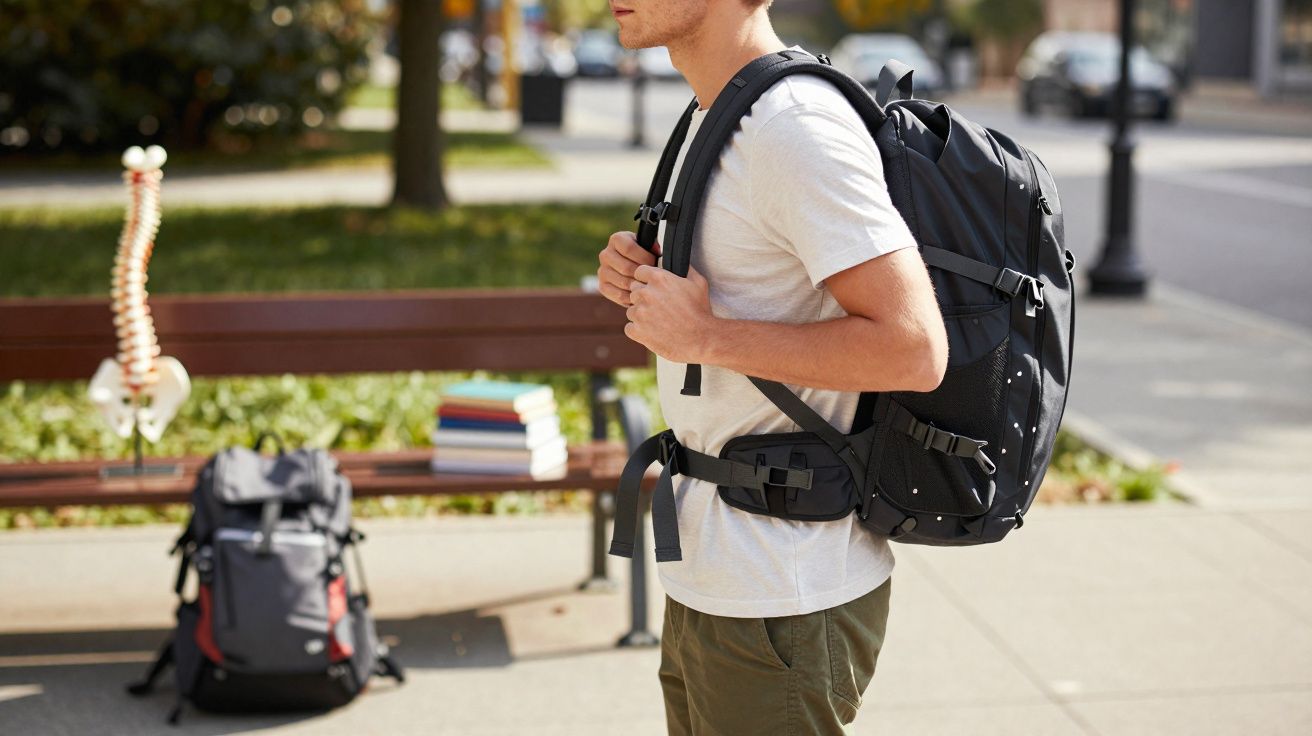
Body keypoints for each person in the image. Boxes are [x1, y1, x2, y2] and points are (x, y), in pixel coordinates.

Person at [596, 0, 948, 733]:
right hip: (715, 566)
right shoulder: (714, 114)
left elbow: (915, 348)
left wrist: (709, 335)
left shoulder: (794, 127)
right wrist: (646, 283)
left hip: (784, 589)